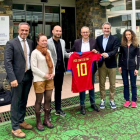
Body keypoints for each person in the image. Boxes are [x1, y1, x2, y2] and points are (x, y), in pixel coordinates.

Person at [4, 22, 34, 138]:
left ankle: (21, 121)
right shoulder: (11, 43)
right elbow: (7, 62)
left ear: (28, 31)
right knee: (15, 102)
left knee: (24, 100)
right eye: (22, 30)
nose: (24, 32)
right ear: (18, 30)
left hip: (28, 76)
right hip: (16, 79)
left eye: (26, 30)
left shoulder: (30, 42)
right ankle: (15, 127)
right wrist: (12, 78)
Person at [70, 26, 100, 115]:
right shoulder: (77, 42)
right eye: (83, 32)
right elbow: (72, 51)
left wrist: (96, 51)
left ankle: (93, 103)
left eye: (87, 32)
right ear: (81, 33)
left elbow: (98, 51)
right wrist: (69, 53)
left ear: (89, 33)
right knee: (81, 87)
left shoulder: (94, 41)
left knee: (91, 86)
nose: (85, 34)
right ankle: (82, 104)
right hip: (81, 70)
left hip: (91, 69)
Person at [31, 33, 55, 131]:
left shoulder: (48, 51)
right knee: (39, 101)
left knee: (48, 99)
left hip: (49, 79)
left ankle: (46, 119)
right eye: (42, 41)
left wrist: (52, 73)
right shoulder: (35, 52)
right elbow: (34, 67)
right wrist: (44, 75)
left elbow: (52, 64)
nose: (45, 42)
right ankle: (38, 121)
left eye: (46, 40)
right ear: (38, 42)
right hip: (39, 79)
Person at [96, 22, 119, 109]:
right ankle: (102, 99)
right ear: (102, 29)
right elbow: (97, 48)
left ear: (110, 29)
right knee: (102, 83)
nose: (106, 30)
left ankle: (111, 99)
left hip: (111, 64)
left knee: (112, 84)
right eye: (105, 28)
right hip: (102, 64)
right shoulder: (98, 38)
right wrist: (98, 52)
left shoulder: (115, 39)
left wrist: (108, 54)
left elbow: (115, 50)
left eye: (108, 28)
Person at [47, 25, 69, 117]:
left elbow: (64, 54)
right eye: (56, 31)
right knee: (48, 92)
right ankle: (47, 112)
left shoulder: (63, 41)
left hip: (60, 70)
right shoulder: (47, 42)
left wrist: (72, 55)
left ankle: (58, 109)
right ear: (52, 31)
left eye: (60, 31)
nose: (58, 33)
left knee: (58, 90)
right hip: (51, 71)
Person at [118, 29, 139, 108]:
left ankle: (134, 101)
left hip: (132, 67)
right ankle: (127, 100)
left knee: (133, 85)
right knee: (125, 84)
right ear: (124, 35)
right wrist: (119, 66)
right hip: (123, 67)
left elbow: (138, 57)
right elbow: (120, 56)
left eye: (129, 34)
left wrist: (137, 68)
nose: (128, 36)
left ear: (132, 35)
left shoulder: (136, 45)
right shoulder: (122, 44)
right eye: (126, 35)